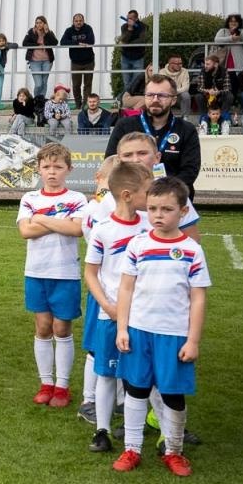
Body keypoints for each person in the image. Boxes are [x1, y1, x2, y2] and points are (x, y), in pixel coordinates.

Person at [113, 176, 209, 476]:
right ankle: (132, 449)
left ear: (183, 211)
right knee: (137, 391)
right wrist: (122, 328)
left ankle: (174, 451)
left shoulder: (192, 250)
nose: (157, 215)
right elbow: (126, 288)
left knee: (172, 394)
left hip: (174, 335)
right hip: (139, 332)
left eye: (166, 209)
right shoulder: (138, 244)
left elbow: (198, 298)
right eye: (152, 208)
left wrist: (192, 340)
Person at [79, 160, 151, 453]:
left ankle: (138, 432)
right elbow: (91, 273)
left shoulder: (149, 226)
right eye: (148, 191)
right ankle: (102, 430)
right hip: (110, 316)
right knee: (107, 374)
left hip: (144, 315)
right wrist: (107, 305)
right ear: (127, 194)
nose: (153, 198)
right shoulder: (103, 229)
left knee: (140, 376)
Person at [17, 142, 88, 408]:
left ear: (68, 169)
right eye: (46, 167)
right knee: (43, 327)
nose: (52, 172)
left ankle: (63, 386)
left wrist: (42, 220)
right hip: (36, 271)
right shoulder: (30, 199)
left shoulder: (78, 199)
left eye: (58, 167)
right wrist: (60, 222)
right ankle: (46, 383)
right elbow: (25, 231)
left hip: (65, 272)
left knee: (62, 327)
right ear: (38, 169)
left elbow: (76, 230)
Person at [104, 75, 202, 197]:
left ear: (173, 100)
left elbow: (190, 171)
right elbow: (111, 161)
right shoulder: (124, 125)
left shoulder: (186, 129)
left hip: (172, 199)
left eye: (162, 95)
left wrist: (163, 192)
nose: (155, 99)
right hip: (132, 199)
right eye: (150, 95)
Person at [58, 14, 96, 101]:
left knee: (88, 84)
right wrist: (77, 44)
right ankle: (78, 104)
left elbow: (91, 41)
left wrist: (74, 42)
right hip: (75, 62)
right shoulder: (69, 31)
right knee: (76, 85)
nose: (78, 22)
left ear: (83, 21)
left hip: (89, 61)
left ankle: (86, 104)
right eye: (76, 21)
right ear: (73, 22)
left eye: (80, 21)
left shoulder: (88, 28)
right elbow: (63, 42)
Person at [213, 14, 243, 96]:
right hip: (226, 63)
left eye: (235, 21)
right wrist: (230, 38)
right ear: (228, 22)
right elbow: (216, 40)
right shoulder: (223, 31)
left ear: (239, 22)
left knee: (242, 87)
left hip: (240, 65)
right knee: (229, 86)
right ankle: (232, 103)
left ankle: (240, 104)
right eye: (231, 21)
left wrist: (239, 32)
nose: (233, 23)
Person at [117, 11, 149, 98]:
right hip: (125, 57)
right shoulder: (124, 27)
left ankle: (121, 97)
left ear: (136, 18)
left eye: (130, 18)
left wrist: (127, 43)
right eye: (127, 18)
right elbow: (124, 38)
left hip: (138, 57)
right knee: (126, 81)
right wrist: (130, 29)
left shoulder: (143, 27)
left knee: (136, 80)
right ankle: (125, 99)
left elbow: (141, 40)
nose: (128, 20)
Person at [22, 16, 56, 99]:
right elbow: (24, 43)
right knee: (38, 83)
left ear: (45, 23)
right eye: (37, 23)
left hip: (47, 61)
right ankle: (36, 100)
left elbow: (55, 42)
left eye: (40, 22)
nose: (38, 24)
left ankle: (42, 101)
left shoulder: (49, 32)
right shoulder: (31, 32)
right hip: (34, 61)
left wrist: (47, 32)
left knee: (44, 82)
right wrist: (38, 45)